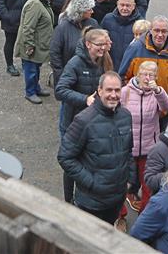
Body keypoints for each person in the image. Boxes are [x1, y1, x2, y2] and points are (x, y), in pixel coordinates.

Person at [57, 71, 137, 225]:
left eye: (117, 90)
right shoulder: (83, 120)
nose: (113, 95)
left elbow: (128, 151)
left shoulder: (126, 116)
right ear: (99, 91)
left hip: (116, 199)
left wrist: (130, 180)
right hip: (91, 202)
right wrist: (92, 182)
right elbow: (65, 157)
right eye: (109, 90)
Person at [55, 28, 113, 202]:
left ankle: (87, 198)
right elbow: (60, 90)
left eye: (105, 44)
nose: (103, 49)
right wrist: (85, 99)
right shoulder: (75, 63)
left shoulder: (105, 61)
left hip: (95, 122)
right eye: (99, 45)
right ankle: (68, 200)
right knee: (71, 163)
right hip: (73, 123)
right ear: (88, 44)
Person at [122, 60, 168, 213]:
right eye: (144, 74)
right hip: (128, 147)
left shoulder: (157, 92)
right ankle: (120, 215)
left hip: (149, 146)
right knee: (122, 183)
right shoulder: (126, 91)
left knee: (148, 184)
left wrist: (158, 91)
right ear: (138, 75)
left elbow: (167, 107)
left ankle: (145, 215)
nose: (147, 78)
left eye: (151, 75)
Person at [119, 15, 168, 94]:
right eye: (156, 30)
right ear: (150, 30)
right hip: (138, 102)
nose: (160, 35)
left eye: (164, 31)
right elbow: (123, 77)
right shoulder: (135, 49)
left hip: (165, 102)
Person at [14, 0, 55, 104]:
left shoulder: (41, 2)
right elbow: (28, 27)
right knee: (30, 69)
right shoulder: (35, 5)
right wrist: (29, 45)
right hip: (32, 45)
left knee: (35, 68)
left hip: (38, 44)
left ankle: (35, 88)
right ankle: (30, 92)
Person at [49, 0, 98, 87]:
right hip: (69, 75)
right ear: (80, 11)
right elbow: (54, 53)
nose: (92, 11)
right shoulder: (62, 28)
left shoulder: (93, 23)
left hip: (89, 76)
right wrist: (61, 74)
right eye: (89, 9)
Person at [101, 0, 141, 70]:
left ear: (134, 6)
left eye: (128, 5)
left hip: (131, 68)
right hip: (110, 66)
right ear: (117, 4)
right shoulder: (108, 19)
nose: (124, 8)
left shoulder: (140, 23)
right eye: (122, 5)